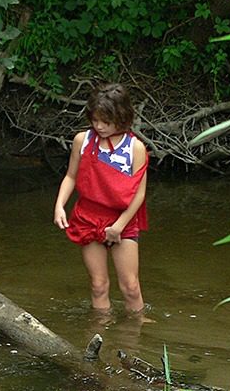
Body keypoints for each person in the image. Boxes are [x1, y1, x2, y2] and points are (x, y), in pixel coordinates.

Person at [53, 83, 148, 313]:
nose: (99, 126)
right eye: (95, 120)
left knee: (131, 287)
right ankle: (100, 333)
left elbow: (139, 193)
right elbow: (71, 176)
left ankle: (136, 335)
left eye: (105, 121)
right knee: (98, 285)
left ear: (122, 117)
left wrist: (118, 227)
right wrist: (59, 206)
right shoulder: (82, 140)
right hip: (88, 218)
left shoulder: (135, 148)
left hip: (121, 221)